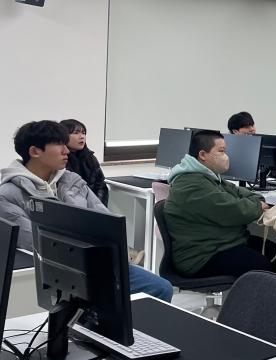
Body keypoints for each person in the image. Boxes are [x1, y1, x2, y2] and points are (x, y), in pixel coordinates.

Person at [0, 121, 173, 302]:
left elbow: (106, 222)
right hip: (61, 272)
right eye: (59, 144)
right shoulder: (7, 195)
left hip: (100, 262)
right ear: (35, 151)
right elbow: (37, 243)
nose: (66, 151)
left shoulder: (71, 180)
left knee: (161, 288)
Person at [165, 130, 275, 278]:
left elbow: (238, 192)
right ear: (202, 155)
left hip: (218, 244)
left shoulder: (208, 177)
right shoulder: (192, 183)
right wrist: (257, 206)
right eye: (221, 151)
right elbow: (234, 211)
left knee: (273, 251)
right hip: (200, 256)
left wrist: (257, 201)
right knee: (263, 266)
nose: (226, 156)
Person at [61, 118, 107, 204]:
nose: (82, 136)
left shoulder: (90, 157)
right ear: (63, 136)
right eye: (76, 133)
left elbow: (101, 185)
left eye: (83, 133)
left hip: (94, 206)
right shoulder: (60, 159)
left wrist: (97, 206)